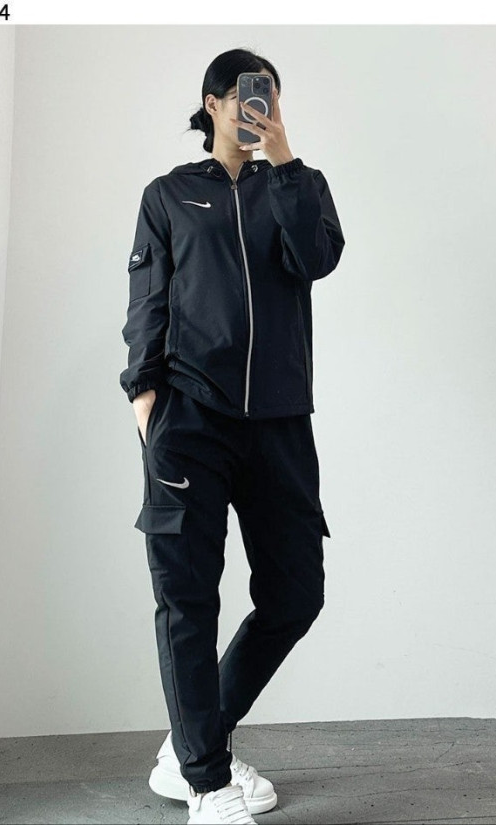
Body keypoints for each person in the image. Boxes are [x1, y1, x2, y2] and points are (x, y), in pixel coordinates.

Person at [119, 47, 345, 824]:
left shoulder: (298, 184)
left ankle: (188, 744)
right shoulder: (169, 195)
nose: (260, 110)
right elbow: (147, 301)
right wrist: (144, 399)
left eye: (271, 99)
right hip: (191, 420)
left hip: (279, 422)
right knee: (187, 599)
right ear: (213, 103)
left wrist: (284, 161)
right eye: (249, 97)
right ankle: (207, 785)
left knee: (296, 592)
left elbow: (316, 258)